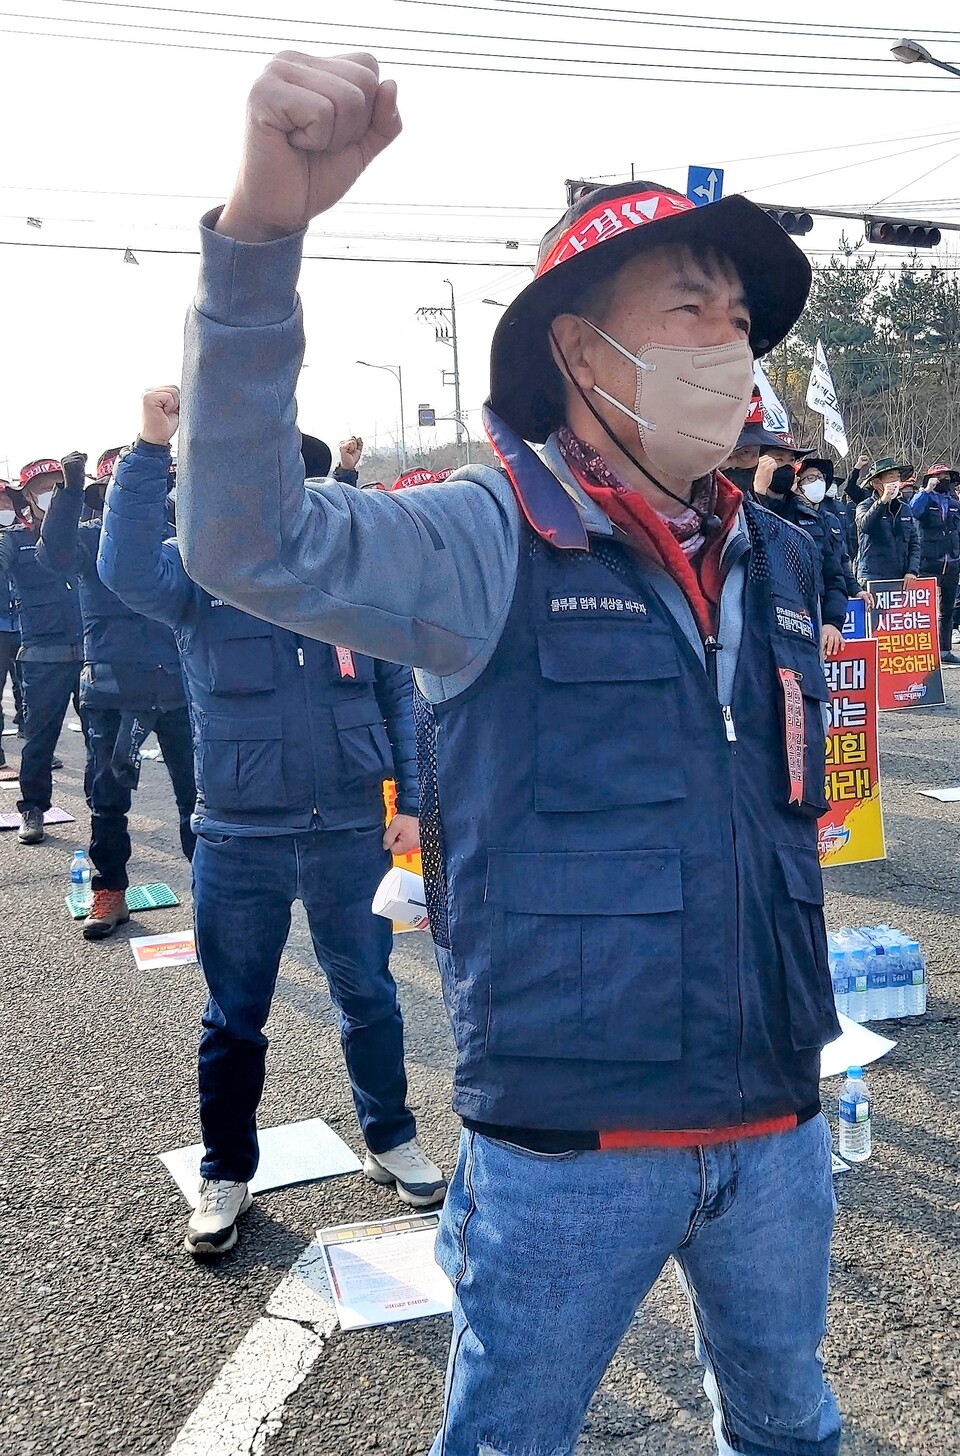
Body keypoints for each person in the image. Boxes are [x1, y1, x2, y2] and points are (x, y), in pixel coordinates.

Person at [177, 51, 843, 1455]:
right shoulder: (482, 540)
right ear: (579, 350)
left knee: (793, 1432)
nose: (729, 347)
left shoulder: (778, 556)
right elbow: (245, 540)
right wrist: (258, 239)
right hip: (568, 1159)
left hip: (778, 1131)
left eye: (742, 321)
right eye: (689, 309)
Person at [100, 386, 446, 1257]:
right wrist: (149, 446)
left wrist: (411, 805)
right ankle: (226, 1172)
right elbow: (123, 567)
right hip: (240, 837)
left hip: (347, 835)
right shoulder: (202, 577)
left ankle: (390, 1136)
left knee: (368, 993)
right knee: (235, 1012)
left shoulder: (345, 584)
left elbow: (395, 694)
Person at [36, 450, 197, 938]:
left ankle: (212, 893)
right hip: (111, 689)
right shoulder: (88, 537)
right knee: (107, 799)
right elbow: (53, 554)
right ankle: (110, 891)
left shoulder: (183, 535)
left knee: (202, 801)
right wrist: (66, 492)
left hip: (181, 687)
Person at [0, 459, 85, 845]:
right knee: (38, 739)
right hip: (41, 655)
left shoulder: (81, 534)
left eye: (58, 485)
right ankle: (33, 809)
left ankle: (103, 807)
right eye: (43, 488)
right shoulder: (12, 541)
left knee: (102, 739)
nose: (51, 493)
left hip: (89, 651)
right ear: (28, 498)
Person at [755, 454, 854, 656]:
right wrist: (757, 495)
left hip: (807, 630)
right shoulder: (741, 509)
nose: (785, 467)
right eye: (777, 459)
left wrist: (832, 622)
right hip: (761, 634)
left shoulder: (810, 518)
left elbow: (833, 575)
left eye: (790, 461)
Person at [908, 464, 960, 666]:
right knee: (923, 610)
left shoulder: (953, 502)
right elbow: (913, 511)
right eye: (939, 476)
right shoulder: (924, 498)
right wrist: (926, 490)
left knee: (947, 609)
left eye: (946, 476)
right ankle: (921, 649)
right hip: (928, 562)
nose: (943, 479)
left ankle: (945, 650)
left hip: (952, 562)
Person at [854, 457, 921, 588]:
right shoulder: (864, 506)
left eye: (897, 478)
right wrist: (881, 502)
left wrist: (912, 570)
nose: (895, 482)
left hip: (900, 577)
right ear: (876, 483)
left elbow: (914, 542)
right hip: (872, 576)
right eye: (891, 478)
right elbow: (865, 526)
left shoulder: (904, 508)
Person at [0, 482, 26, 781]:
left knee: (27, 690)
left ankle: (28, 736)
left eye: (8, 505)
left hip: (23, 624)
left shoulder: (22, 537)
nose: (5, 510)